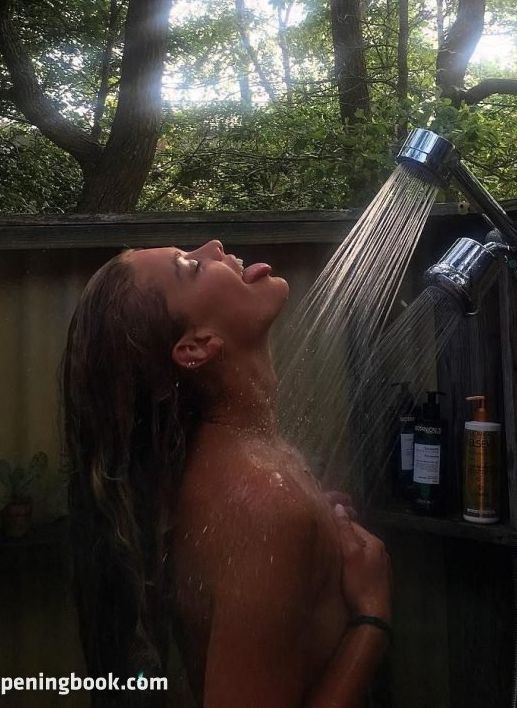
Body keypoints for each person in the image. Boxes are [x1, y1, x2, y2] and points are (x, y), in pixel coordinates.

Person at [62, 239, 391, 707]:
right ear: (196, 346)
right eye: (191, 267)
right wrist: (372, 619)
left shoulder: (239, 468)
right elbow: (260, 521)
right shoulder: (264, 505)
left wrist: (311, 533)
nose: (214, 246)